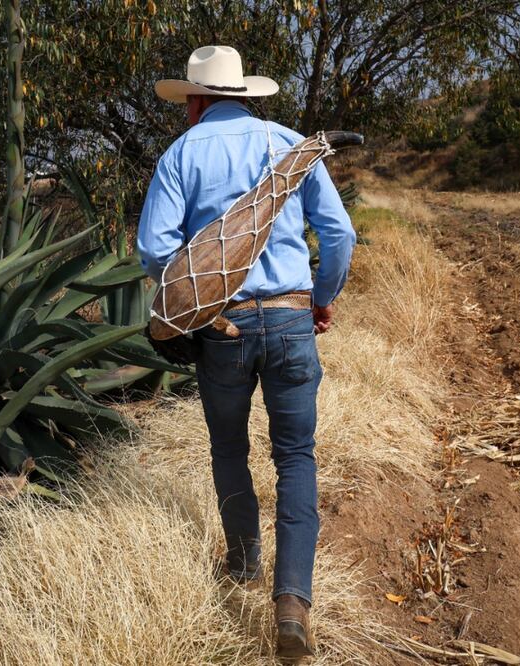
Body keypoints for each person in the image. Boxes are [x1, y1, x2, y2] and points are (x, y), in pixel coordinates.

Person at [137, 45, 356, 659]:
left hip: (220, 328)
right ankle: (291, 604)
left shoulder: (180, 155)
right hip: (290, 318)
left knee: (229, 447)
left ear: (198, 102)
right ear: (245, 96)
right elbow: (339, 232)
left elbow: (155, 252)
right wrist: (322, 296)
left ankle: (242, 566)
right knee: (296, 458)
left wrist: (199, 291)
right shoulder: (290, 144)